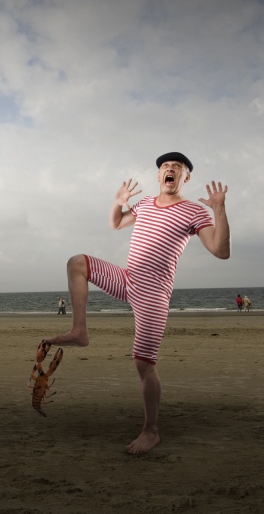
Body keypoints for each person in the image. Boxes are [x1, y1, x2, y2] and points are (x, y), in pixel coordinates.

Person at [46, 152, 230, 455]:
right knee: (77, 263)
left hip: (154, 294)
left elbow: (220, 251)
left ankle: (151, 430)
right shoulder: (144, 204)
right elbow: (117, 223)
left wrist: (219, 210)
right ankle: (79, 331)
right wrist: (117, 201)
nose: (170, 169)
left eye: (177, 167)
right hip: (127, 278)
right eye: (165, 167)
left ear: (185, 177)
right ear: (158, 176)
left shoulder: (194, 212)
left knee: (144, 364)